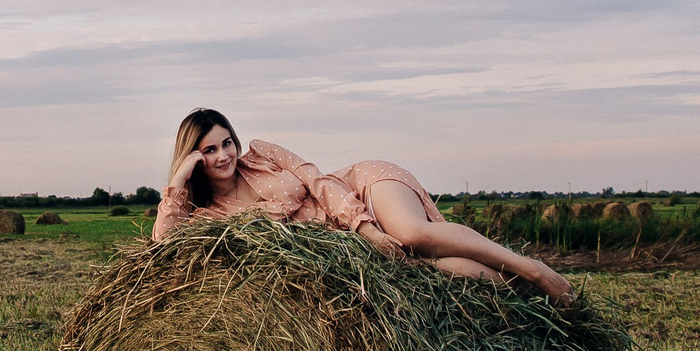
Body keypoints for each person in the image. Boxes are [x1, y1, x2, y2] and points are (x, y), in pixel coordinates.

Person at [152, 107, 574, 303]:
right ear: (194, 157)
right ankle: (529, 295)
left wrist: (366, 227)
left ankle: (534, 269)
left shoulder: (261, 154)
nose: (223, 155)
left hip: (358, 192)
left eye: (226, 142)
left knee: (411, 235)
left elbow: (316, 180)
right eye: (208, 150)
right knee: (434, 273)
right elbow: (163, 247)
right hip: (344, 250)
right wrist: (177, 180)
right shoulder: (204, 217)